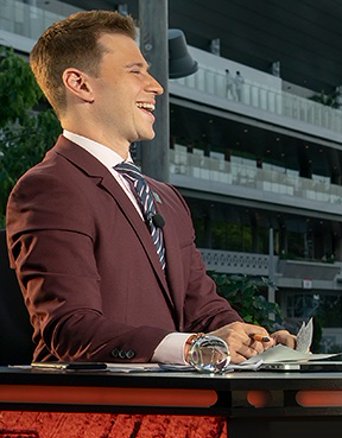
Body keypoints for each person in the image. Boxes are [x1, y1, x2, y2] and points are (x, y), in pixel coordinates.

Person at [7, 10, 294, 363]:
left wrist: (253, 341)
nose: (156, 86)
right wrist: (192, 347)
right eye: (136, 71)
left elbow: (203, 308)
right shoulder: (48, 189)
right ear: (80, 84)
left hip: (177, 395)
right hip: (100, 397)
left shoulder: (166, 198)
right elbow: (70, 329)